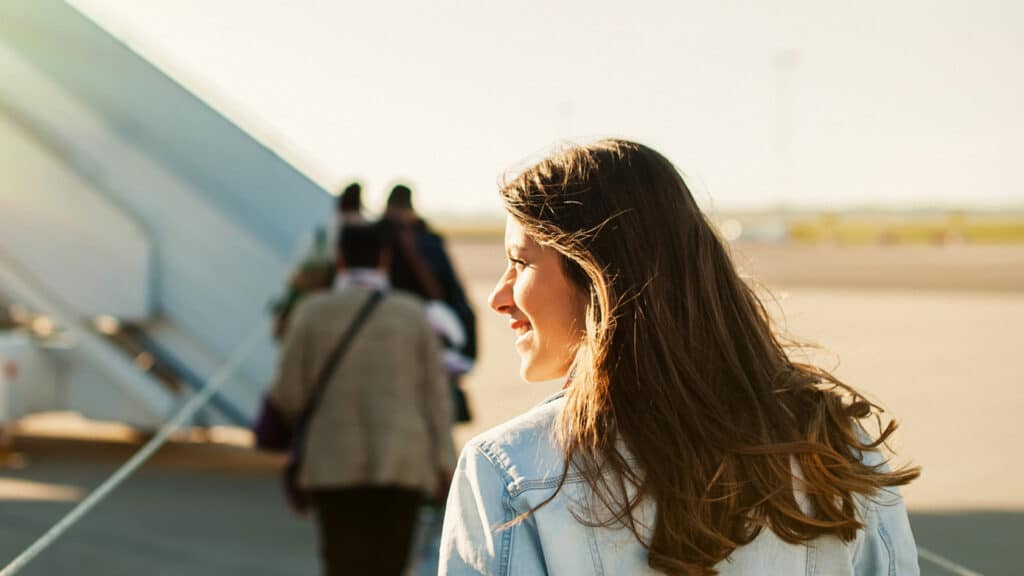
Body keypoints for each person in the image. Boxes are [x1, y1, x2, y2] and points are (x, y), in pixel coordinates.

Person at [439, 140, 921, 575]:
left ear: (601, 274)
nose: (498, 297)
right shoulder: (836, 447)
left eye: (520, 262)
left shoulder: (511, 471)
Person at [268, 223, 456, 576]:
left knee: (342, 563)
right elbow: (436, 397)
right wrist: (445, 460)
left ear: (339, 260)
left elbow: (288, 394)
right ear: (384, 259)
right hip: (403, 462)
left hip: (333, 464)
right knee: (389, 564)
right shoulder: (412, 314)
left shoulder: (312, 312)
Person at [380, 184, 478, 416]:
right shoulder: (428, 240)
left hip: (388, 338)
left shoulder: (378, 239)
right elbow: (455, 294)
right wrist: (466, 353)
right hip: (433, 337)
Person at [272, 181, 367, 339]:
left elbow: (295, 277)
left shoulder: (321, 235)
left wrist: (284, 312)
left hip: (307, 309)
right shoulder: (365, 237)